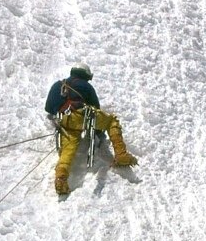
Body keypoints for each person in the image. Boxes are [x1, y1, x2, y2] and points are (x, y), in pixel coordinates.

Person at [44, 62, 137, 195]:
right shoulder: (85, 86)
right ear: (85, 75)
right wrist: (99, 132)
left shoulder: (56, 85)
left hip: (64, 121)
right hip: (83, 115)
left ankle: (61, 177)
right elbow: (96, 108)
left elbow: (48, 108)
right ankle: (121, 154)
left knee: (68, 150)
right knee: (112, 121)